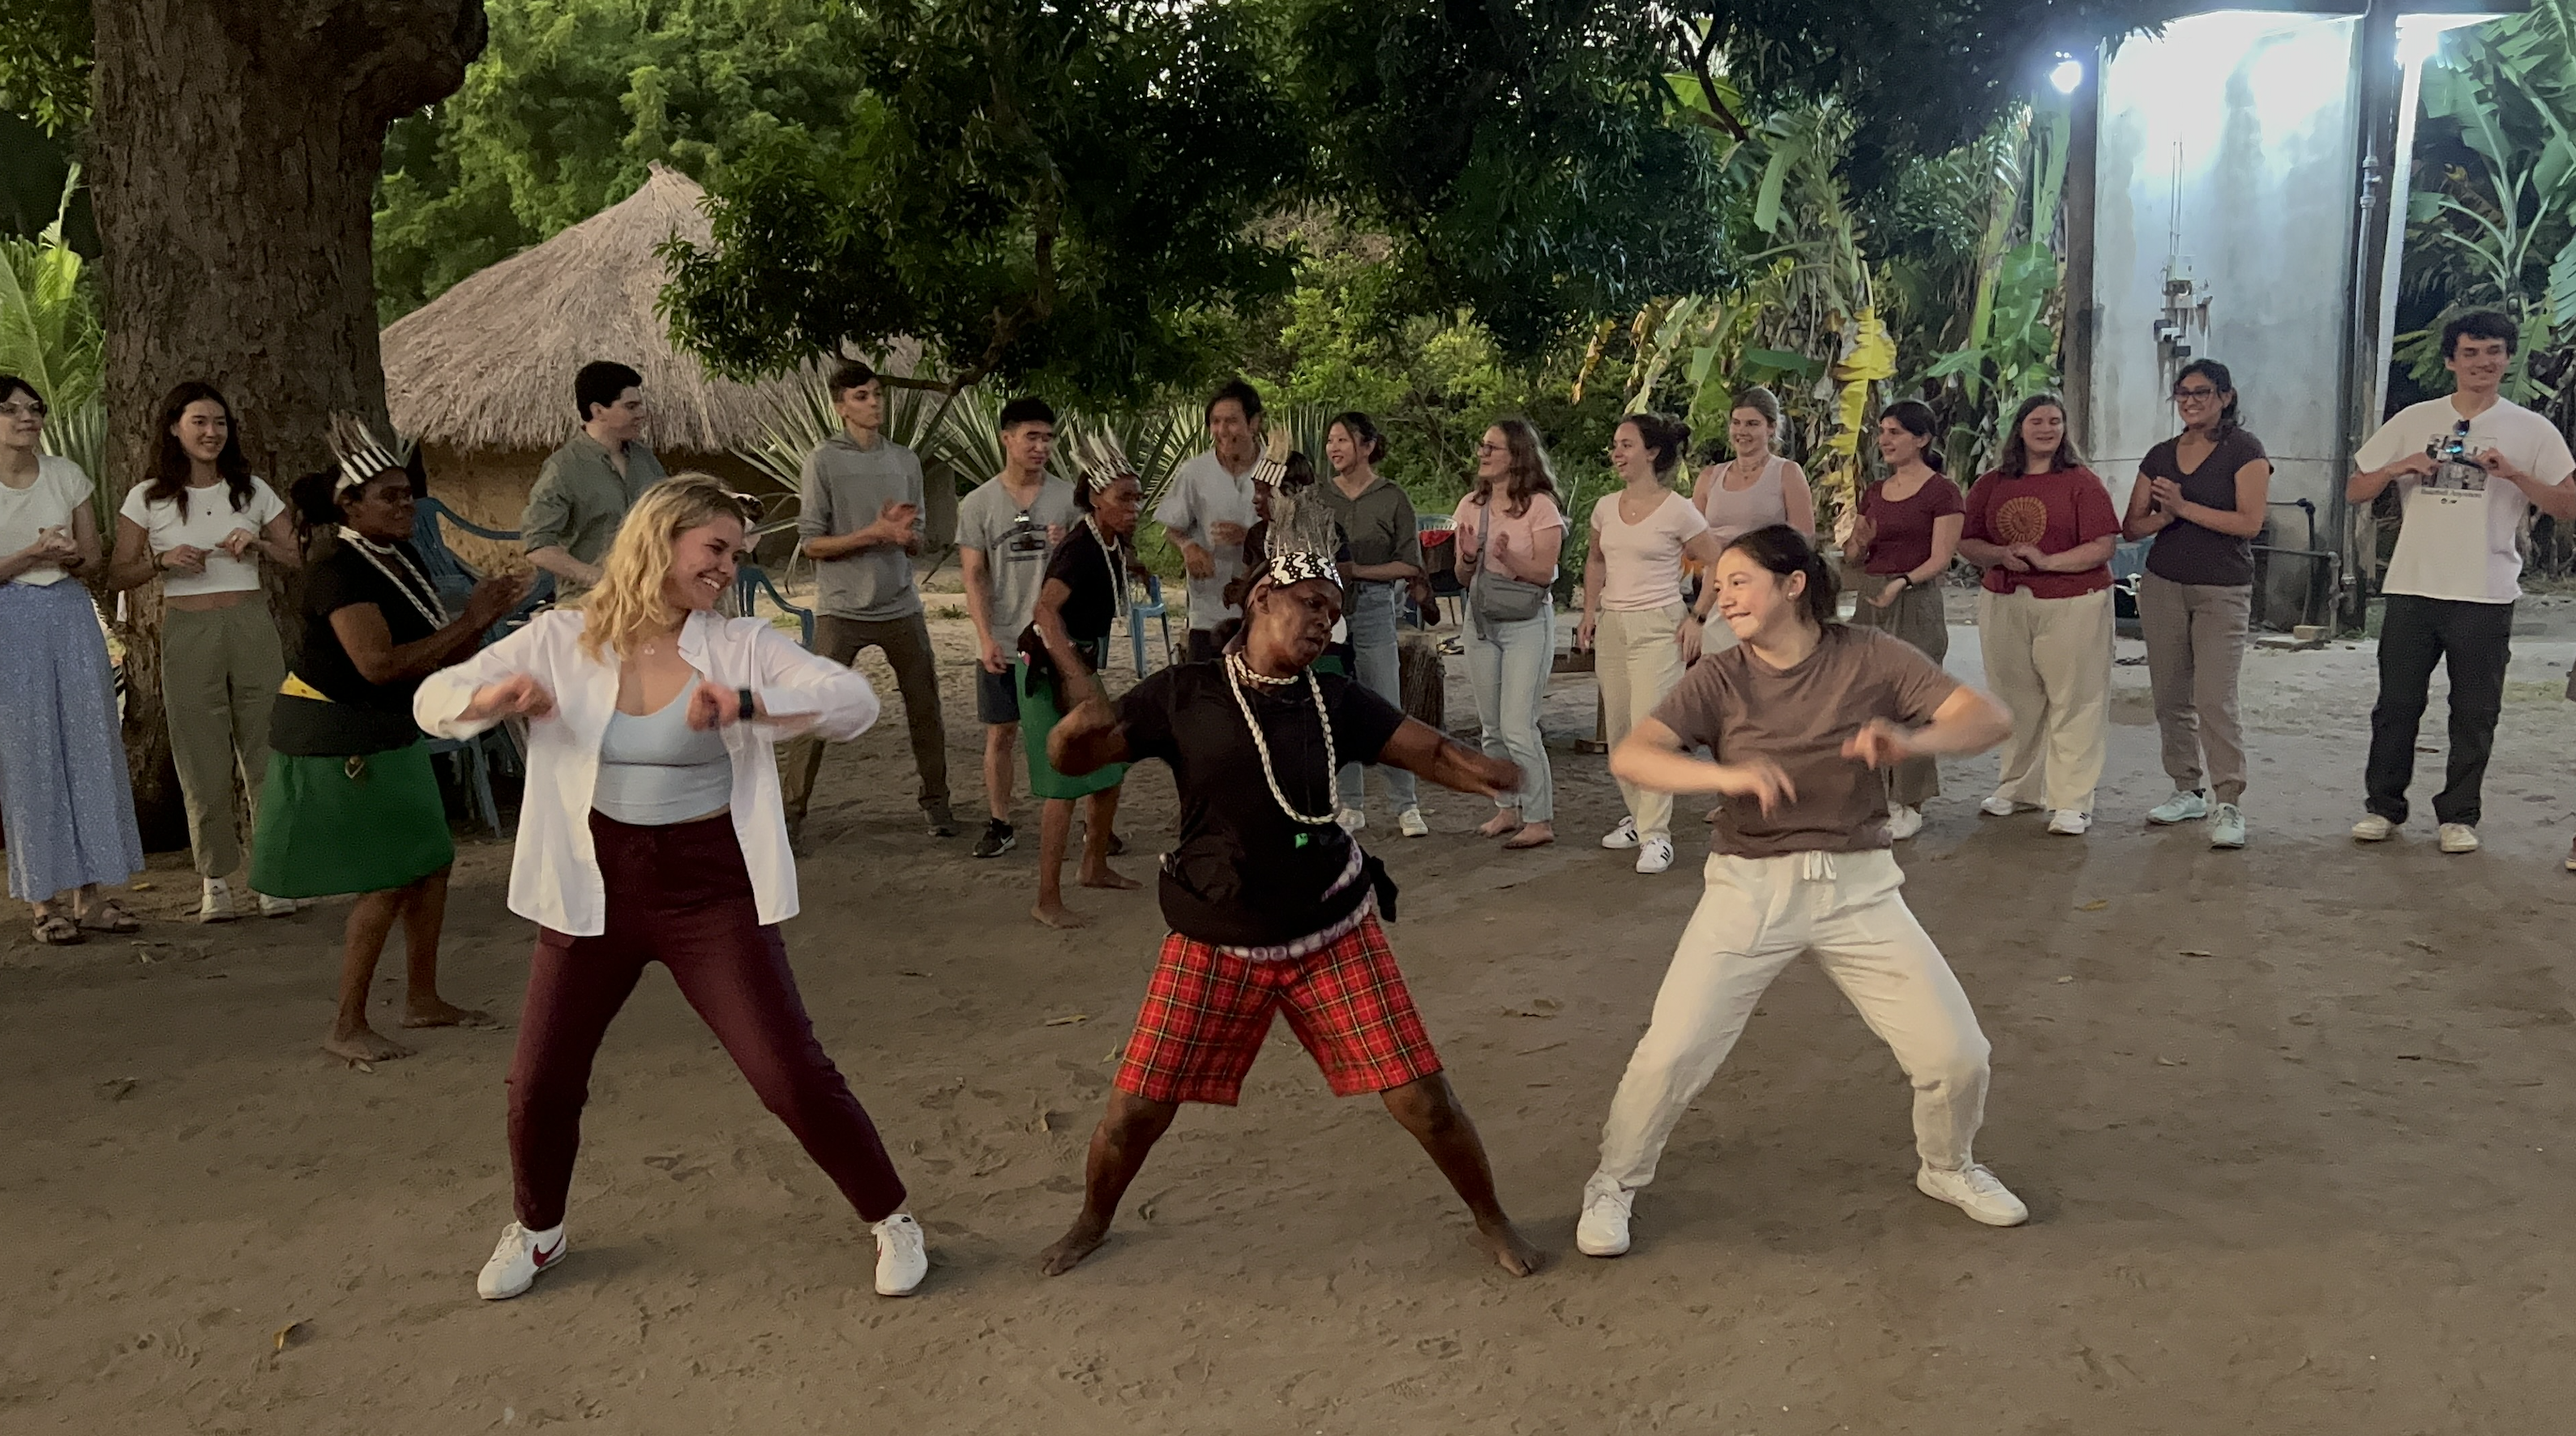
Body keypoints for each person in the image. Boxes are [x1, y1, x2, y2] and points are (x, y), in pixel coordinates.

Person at [414, 476, 926, 1301]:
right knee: (539, 1079)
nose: (727, 566)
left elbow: (852, 700)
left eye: (735, 552)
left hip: (709, 887)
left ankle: (891, 1215)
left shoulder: (739, 644)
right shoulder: (560, 637)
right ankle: (539, 1227)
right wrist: (493, 696)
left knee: (786, 1071)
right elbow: (432, 699)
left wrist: (750, 703)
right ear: (660, 541)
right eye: (714, 549)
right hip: (593, 884)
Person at [1031, 489, 1543, 1280]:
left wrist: (1488, 774)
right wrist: (1069, 739)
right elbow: (1086, 755)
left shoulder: (1333, 699)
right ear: (1263, 597)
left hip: (1328, 929)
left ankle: (1491, 1216)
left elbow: (1428, 752)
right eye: (1310, 603)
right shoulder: (1184, 692)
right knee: (1134, 1109)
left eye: (1334, 613)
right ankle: (1092, 1217)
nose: (1323, 623)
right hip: (1214, 934)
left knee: (1424, 1099)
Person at [1573, 526, 2026, 1259]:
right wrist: (1724, 777)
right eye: (1718, 586)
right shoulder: (1721, 677)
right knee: (1671, 1053)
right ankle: (1614, 1182)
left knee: (1957, 1055)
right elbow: (1635, 752)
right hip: (1748, 889)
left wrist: (1910, 742)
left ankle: (1949, 1167)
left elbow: (1989, 718)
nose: (1723, 596)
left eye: (1739, 581)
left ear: (1792, 585)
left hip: (1860, 888)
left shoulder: (1870, 655)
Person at [263, 421, 528, 1064]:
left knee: (431, 859)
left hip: (388, 726)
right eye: (389, 496)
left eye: (408, 495)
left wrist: (482, 622)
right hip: (336, 729)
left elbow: (430, 657)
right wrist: (473, 618)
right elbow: (378, 665)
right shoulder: (337, 568)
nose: (405, 506)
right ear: (349, 506)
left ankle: (422, 1000)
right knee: (387, 877)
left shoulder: (396, 554)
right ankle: (346, 1024)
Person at [2347, 310, 2576, 856]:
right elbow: (2357, 488)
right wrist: (2401, 465)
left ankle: (2459, 815)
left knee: (2475, 712)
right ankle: (2384, 807)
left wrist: (2514, 473)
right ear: (2451, 360)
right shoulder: (2414, 417)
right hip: (2413, 585)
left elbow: (2567, 505)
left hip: (2486, 590)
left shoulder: (2532, 429)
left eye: (2494, 352)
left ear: (2507, 358)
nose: (2483, 363)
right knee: (2397, 705)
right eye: (2471, 353)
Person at [109, 380, 302, 921]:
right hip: (188, 629)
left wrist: (258, 543)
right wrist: (163, 563)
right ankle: (215, 879)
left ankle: (273, 874)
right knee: (201, 754)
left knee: (268, 746)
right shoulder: (147, 497)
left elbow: (294, 555)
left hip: (250, 622)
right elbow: (118, 571)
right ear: (175, 427)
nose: (211, 432)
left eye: (219, 422)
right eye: (200, 422)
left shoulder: (251, 490)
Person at [781, 360, 954, 845]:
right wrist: (872, 534)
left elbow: (919, 538)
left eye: (877, 393)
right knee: (816, 709)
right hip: (841, 609)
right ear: (840, 407)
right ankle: (792, 814)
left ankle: (937, 805)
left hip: (901, 604)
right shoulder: (823, 460)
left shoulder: (905, 460)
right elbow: (812, 543)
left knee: (925, 707)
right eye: (861, 396)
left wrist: (904, 537)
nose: (874, 402)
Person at [0, 374, 145, 946]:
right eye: (10, 410)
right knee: (29, 752)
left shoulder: (66, 475)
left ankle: (94, 893)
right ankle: (44, 898)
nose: (26, 418)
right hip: (9, 619)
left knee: (88, 741)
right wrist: (31, 554)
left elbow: (93, 558)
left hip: (66, 612)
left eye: (33, 409)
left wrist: (68, 557)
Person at [2121, 360, 2272, 849]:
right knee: (2169, 695)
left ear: (2226, 397)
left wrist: (2184, 508)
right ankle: (2187, 789)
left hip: (2221, 588)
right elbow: (2133, 526)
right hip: (2164, 584)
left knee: (2214, 697)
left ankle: (2229, 801)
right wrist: (2166, 517)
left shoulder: (2244, 451)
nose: (2191, 401)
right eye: (2183, 394)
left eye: (2202, 393)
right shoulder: (2161, 455)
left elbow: (2249, 523)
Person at [1956, 394, 2119, 836]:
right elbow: (1967, 542)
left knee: (2075, 700)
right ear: (2020, 429)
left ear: (2065, 429)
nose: (2046, 428)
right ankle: (2019, 789)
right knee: (2014, 698)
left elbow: (2103, 546)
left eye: (2055, 421)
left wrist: (2048, 563)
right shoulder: (1991, 484)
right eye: (2037, 421)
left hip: (2073, 600)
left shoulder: (2082, 483)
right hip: (2005, 599)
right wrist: (1999, 555)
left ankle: (2072, 801)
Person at [1576, 412, 1725, 875]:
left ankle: (1657, 835)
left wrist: (1699, 617)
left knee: (1650, 730)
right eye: (1615, 445)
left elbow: (1717, 562)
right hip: (1614, 624)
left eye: (1626, 445)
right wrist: (1588, 613)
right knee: (1620, 732)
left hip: (1659, 626)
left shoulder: (1679, 509)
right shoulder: (1604, 507)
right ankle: (1640, 820)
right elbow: (1596, 560)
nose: (1617, 453)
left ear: (1652, 453)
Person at [1020, 434, 1142, 929]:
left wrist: (1139, 569)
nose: (1135, 507)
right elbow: (1045, 612)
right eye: (1124, 498)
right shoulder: (1079, 548)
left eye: (1138, 497)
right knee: (1063, 781)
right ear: (1095, 497)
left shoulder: (1107, 542)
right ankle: (1046, 898)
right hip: (1048, 666)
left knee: (1112, 762)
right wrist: (1075, 679)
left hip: (1077, 663)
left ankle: (1093, 865)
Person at [955, 395, 1079, 860]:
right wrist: (985, 637)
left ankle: (1083, 820)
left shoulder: (1067, 498)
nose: (1041, 446)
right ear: (1007, 439)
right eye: (1031, 436)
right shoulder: (979, 503)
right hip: (1005, 637)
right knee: (1000, 732)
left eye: (1048, 438)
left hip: (1058, 638)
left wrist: (1068, 544)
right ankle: (1000, 822)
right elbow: (973, 575)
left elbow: (1087, 565)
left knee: (1073, 727)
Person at [1846, 400, 1966, 840]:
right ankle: (1874, 798)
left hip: (1915, 600)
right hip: (1870, 596)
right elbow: (1854, 554)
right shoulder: (1875, 491)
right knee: (1868, 700)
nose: (1885, 440)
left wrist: (1902, 581)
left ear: (1922, 439)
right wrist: (1858, 544)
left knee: (1914, 701)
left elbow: (1940, 558)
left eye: (1895, 432)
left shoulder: (1942, 492)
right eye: (1883, 431)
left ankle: (1910, 801)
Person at [1313, 411, 1431, 838]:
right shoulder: (1319, 498)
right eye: (1331, 441)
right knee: (1336, 704)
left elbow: (1409, 563)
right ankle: (1351, 804)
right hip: (1327, 613)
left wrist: (1358, 570)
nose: (1334, 449)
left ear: (1367, 446)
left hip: (1377, 607)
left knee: (1386, 705)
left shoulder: (1392, 497)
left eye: (1343, 440)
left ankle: (1407, 805)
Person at [1453, 418, 1565, 850]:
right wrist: (1467, 558)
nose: (1482, 453)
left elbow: (1545, 575)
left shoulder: (1540, 507)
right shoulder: (1470, 505)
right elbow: (1464, 577)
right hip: (1481, 621)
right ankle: (1506, 807)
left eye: (1492, 447)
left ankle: (1538, 818)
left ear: (1516, 455)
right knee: (1492, 726)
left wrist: (1509, 557)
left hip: (1526, 623)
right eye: (1482, 445)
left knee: (1519, 725)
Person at [520, 361, 667, 597]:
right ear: (598, 411)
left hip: (648, 600)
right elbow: (537, 545)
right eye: (631, 406)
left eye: (640, 405)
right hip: (588, 605)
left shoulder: (645, 459)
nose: (641, 414)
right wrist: (596, 577)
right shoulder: (563, 468)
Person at [1155, 378, 1263, 662]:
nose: (1222, 431)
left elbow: (1297, 534)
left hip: (1265, 609)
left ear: (1254, 423)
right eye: (1215, 422)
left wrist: (1252, 537)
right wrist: (1189, 546)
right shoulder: (1195, 472)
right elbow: (1172, 527)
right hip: (1207, 612)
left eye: (1232, 421)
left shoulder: (1276, 471)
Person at [1692, 387, 1818, 552]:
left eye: (1752, 424)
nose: (1742, 431)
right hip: (1715, 572)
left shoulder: (1787, 473)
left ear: (1771, 427)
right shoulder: (1709, 477)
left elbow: (1804, 539)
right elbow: (1691, 538)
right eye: (1736, 423)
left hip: (1767, 571)